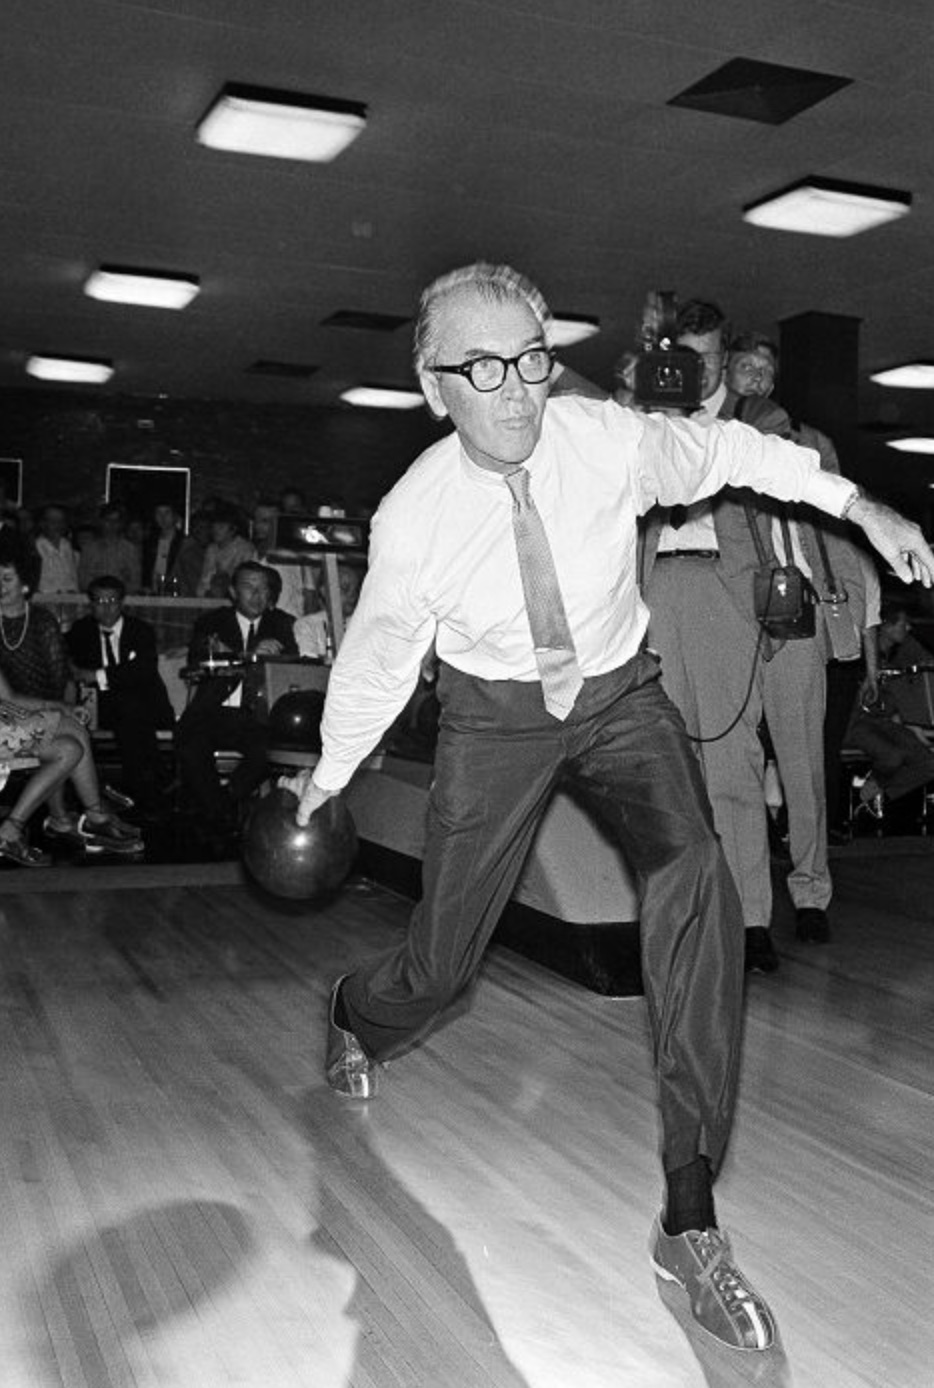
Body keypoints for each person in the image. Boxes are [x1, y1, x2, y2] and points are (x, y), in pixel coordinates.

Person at [282, 262, 933, 1353]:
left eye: (531, 359)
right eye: (480, 370)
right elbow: (380, 655)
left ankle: (688, 1213)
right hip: (493, 715)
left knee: (697, 882)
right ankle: (357, 1010)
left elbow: (733, 450)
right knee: (443, 963)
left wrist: (860, 503)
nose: (516, 391)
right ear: (433, 387)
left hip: (620, 694)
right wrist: (328, 778)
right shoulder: (415, 517)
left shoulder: (607, 439)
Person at [721, 331, 877, 944]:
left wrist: (851, 621)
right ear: (722, 372)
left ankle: (811, 892)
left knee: (803, 763)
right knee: (735, 767)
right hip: (732, 621)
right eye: (744, 366)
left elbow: (840, 528)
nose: (756, 376)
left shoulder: (813, 445)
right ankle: (749, 909)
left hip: (801, 618)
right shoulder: (706, 443)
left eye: (765, 368)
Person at [0, 543, 143, 852]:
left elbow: (62, 677)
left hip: (20, 719)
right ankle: (86, 815)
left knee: (70, 744)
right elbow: (6, 697)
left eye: (6, 579)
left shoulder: (40, 621)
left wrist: (65, 708)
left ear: (25, 584)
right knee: (70, 735)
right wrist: (61, 708)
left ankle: (25, 827)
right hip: (6, 721)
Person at [176, 560, 297, 836]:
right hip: (214, 711)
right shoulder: (212, 622)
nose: (256, 595)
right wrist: (250, 654)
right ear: (232, 592)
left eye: (262, 588)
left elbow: (294, 669)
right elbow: (197, 662)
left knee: (269, 749)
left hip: (259, 715)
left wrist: (272, 658)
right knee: (191, 746)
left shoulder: (284, 625)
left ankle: (223, 805)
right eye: (248, 587)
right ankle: (220, 812)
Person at [66, 574, 175, 818]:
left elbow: (143, 670)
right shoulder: (80, 631)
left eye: (112, 600)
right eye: (99, 601)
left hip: (144, 705)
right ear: (91, 604)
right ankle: (151, 784)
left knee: (131, 707)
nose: (106, 607)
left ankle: (140, 789)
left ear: (123, 602)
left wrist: (96, 675)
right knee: (128, 709)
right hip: (99, 706)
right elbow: (71, 668)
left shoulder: (141, 630)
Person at [846, 603, 934, 819]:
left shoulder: (895, 655)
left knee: (928, 762)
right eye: (904, 622)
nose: (909, 628)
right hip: (859, 723)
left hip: (884, 722)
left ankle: (875, 794)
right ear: (886, 625)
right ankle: (868, 793)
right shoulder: (863, 654)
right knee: (892, 756)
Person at [77, 502, 142, 594]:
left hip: (122, 599)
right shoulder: (89, 549)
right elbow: (83, 581)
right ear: (101, 522)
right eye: (108, 520)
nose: (112, 525)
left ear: (120, 523)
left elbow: (135, 583)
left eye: (116, 521)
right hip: (96, 598)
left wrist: (117, 591)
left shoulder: (129, 549)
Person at [141, 502, 203, 596]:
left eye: (167, 513)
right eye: (159, 513)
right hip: (153, 595)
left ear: (175, 516)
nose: (163, 517)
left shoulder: (187, 543)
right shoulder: (149, 542)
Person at [196, 503, 255, 598]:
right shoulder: (211, 549)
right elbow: (203, 583)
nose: (216, 530)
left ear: (233, 529)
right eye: (214, 526)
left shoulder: (245, 549)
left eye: (221, 527)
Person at [35, 504, 79, 594]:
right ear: (42, 523)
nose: (58, 525)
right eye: (53, 521)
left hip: (70, 599)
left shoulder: (68, 545)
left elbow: (73, 576)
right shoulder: (34, 547)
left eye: (61, 521)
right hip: (44, 599)